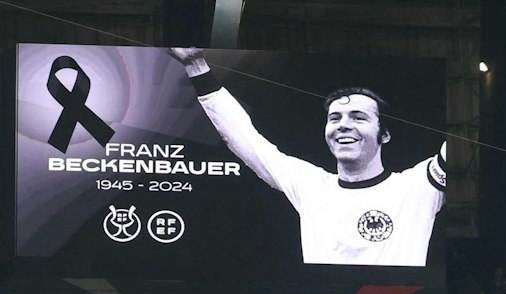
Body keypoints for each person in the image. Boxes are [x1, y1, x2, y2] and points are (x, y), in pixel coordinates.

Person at [167, 47, 445, 267]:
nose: (343, 125)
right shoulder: (310, 185)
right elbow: (244, 139)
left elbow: (456, 149)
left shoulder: (418, 186)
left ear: (384, 134)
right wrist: (196, 67)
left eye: (359, 117)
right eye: (334, 118)